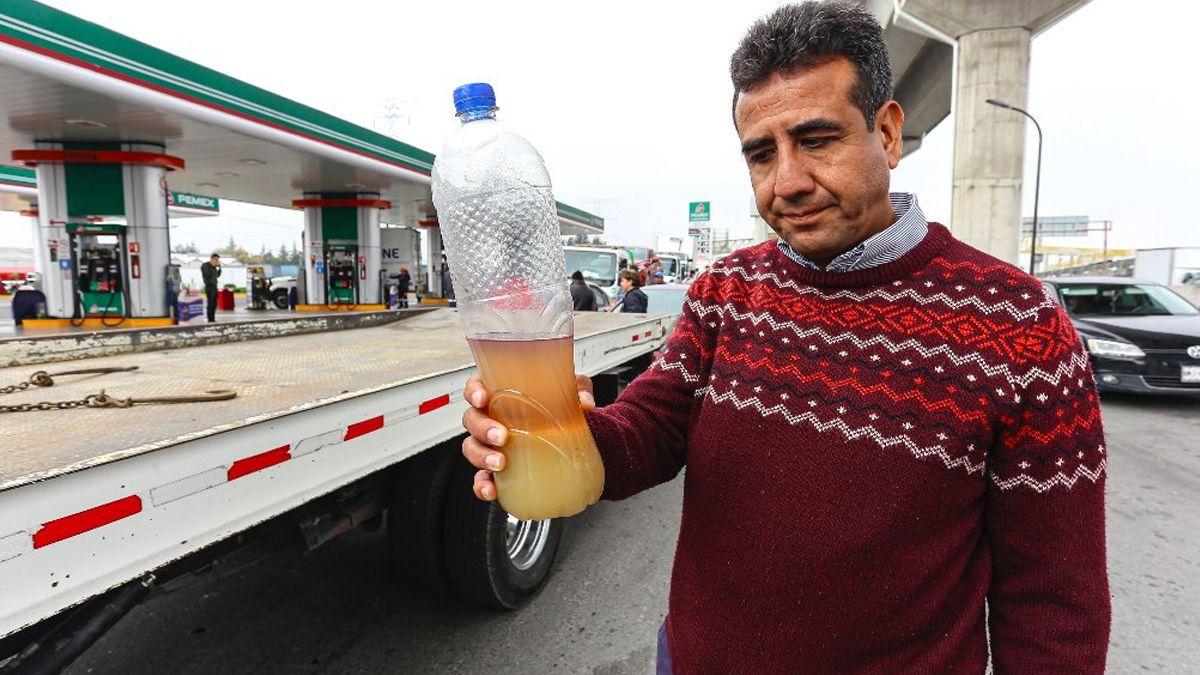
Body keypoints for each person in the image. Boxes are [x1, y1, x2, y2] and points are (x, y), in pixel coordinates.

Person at [460, 3, 1109, 672]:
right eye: (762, 154)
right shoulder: (725, 290)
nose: (787, 182)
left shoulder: (1018, 323)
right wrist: (558, 433)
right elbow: (649, 431)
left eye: (818, 139)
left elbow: (1055, 603)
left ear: (886, 133)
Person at [200, 253, 221, 323]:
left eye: (217, 260)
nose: (216, 261)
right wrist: (213, 266)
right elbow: (206, 275)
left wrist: (218, 267)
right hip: (209, 287)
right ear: (211, 259)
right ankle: (210, 318)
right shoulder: (205, 265)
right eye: (216, 259)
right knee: (210, 303)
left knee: (214, 304)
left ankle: (213, 318)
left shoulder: (214, 267)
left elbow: (217, 275)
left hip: (215, 287)